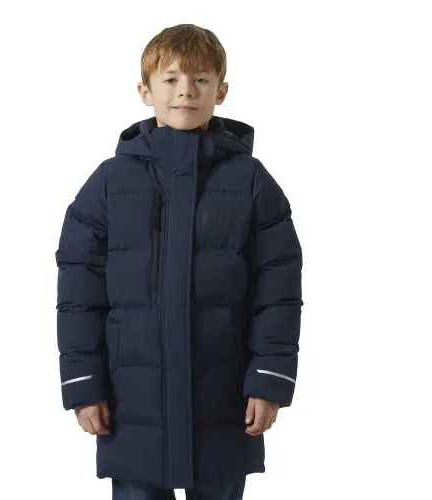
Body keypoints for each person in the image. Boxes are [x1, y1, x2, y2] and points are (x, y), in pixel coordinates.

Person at [55, 23, 303, 500]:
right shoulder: (109, 184)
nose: (185, 90)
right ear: (145, 91)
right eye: (170, 79)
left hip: (224, 398)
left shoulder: (251, 181)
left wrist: (269, 380)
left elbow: (278, 290)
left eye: (200, 79)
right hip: (131, 402)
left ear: (221, 91)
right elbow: (78, 292)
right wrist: (84, 385)